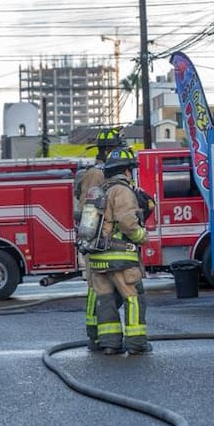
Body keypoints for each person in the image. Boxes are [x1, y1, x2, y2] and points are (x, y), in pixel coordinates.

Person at [83, 147, 153, 355]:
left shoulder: (100, 191)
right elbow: (127, 223)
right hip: (120, 257)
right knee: (134, 298)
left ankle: (110, 344)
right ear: (127, 171)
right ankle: (136, 343)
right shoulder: (122, 190)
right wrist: (143, 237)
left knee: (105, 301)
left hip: (97, 258)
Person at [76, 127, 124, 350]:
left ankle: (100, 334)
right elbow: (90, 209)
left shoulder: (106, 171)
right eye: (115, 149)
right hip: (96, 241)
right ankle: (95, 334)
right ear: (107, 150)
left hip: (103, 241)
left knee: (105, 290)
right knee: (98, 290)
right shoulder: (96, 174)